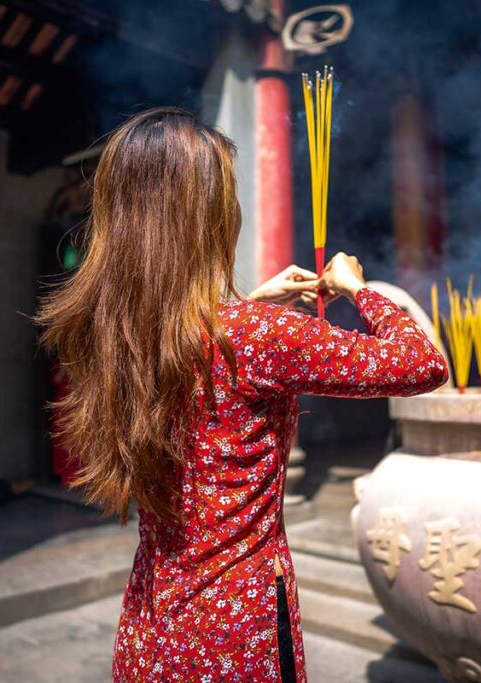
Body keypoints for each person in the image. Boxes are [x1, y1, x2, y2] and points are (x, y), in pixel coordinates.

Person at [35, 107, 447, 683]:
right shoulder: (254, 336)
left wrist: (252, 303)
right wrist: (360, 289)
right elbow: (422, 363)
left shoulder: (113, 331)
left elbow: (194, 356)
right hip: (236, 632)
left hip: (153, 627)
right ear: (205, 216)